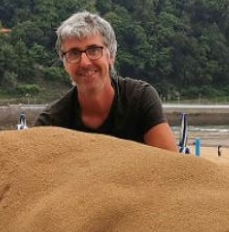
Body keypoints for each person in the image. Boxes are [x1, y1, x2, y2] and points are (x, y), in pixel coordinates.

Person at [33, 11, 176, 151]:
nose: (85, 63)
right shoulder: (50, 124)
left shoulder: (139, 99)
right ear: (64, 63)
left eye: (94, 50)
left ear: (111, 56)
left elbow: (170, 162)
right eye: (74, 53)